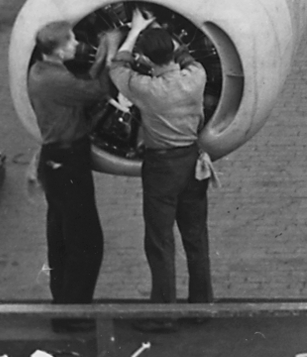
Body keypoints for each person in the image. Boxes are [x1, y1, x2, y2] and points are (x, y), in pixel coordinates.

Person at [109, 17, 213, 303]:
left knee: (160, 241)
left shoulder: (145, 88)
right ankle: (202, 305)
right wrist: (164, 33)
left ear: (144, 59)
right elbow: (187, 57)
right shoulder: (196, 76)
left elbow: (117, 67)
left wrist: (134, 31)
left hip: (161, 169)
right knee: (196, 238)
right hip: (192, 163)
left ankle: (164, 313)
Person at [26, 22, 109, 305]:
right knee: (86, 241)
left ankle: (63, 304)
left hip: (55, 160)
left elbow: (80, 85)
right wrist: (111, 51)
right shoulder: (57, 81)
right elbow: (98, 90)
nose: (77, 44)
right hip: (69, 160)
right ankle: (76, 312)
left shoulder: (40, 71)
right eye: (71, 41)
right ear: (59, 51)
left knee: (61, 236)